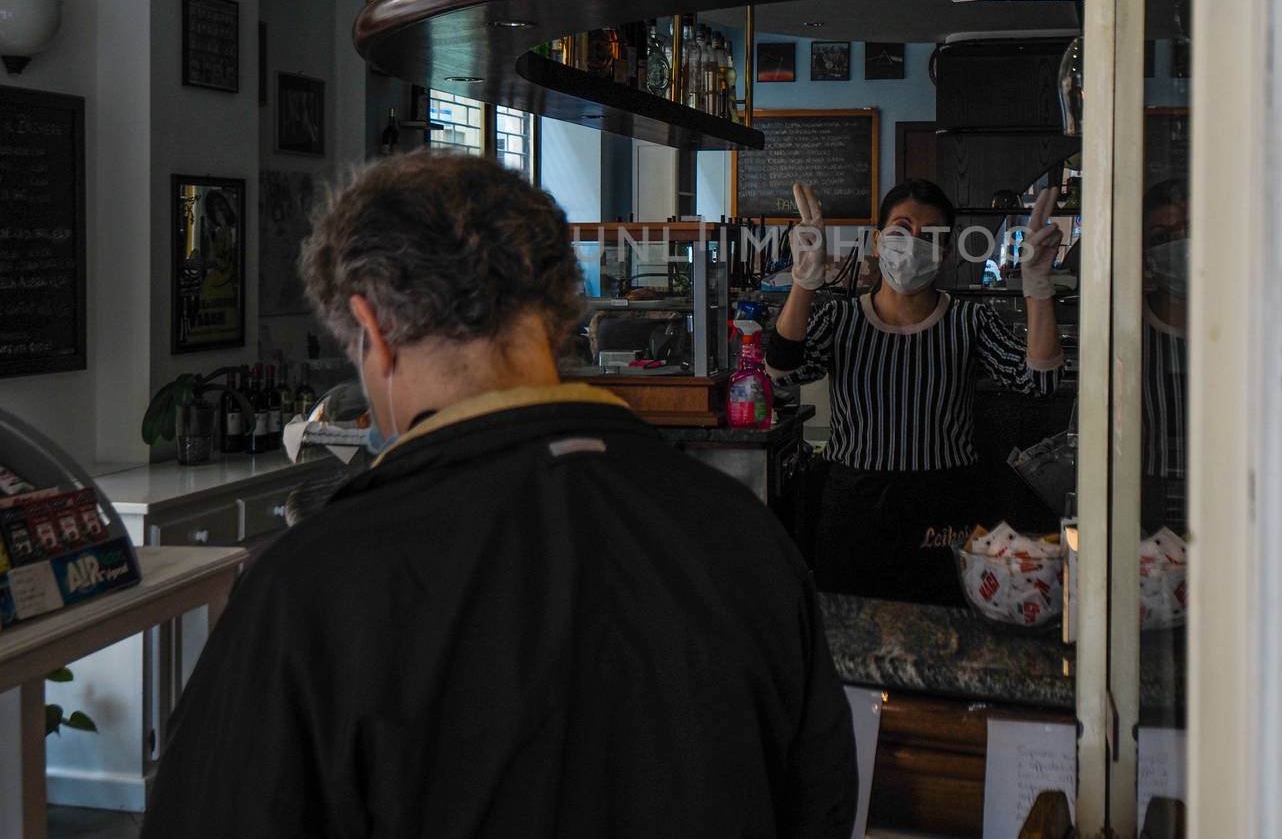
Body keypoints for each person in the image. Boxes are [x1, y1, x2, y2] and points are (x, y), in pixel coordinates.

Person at [142, 153, 856, 839]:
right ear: (561, 311)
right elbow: (818, 804)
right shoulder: (741, 532)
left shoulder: (310, 589)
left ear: (373, 331)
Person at [767, 179, 1066, 605]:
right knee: (851, 634)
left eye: (929, 235)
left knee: (943, 628)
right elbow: (780, 371)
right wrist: (804, 281)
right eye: (901, 228)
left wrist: (1037, 286)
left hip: (944, 507)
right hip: (855, 504)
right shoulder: (841, 318)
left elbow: (1039, 380)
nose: (912, 243)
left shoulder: (969, 321)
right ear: (876, 241)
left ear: (945, 251)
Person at [1141, 177, 1188, 533]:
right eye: (1160, 237)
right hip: (1143, 492)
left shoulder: (1241, 329)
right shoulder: (1126, 328)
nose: (1179, 245)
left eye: (1188, 231)